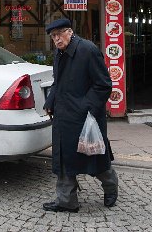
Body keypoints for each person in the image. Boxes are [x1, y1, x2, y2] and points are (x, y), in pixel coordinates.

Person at [42, 18, 118, 213]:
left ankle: (110, 185)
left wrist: (84, 106)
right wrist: (50, 102)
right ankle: (66, 201)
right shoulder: (59, 53)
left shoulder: (88, 50)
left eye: (59, 35)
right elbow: (57, 82)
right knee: (64, 160)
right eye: (53, 37)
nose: (56, 40)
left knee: (95, 158)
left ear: (69, 32)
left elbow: (103, 85)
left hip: (85, 117)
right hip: (63, 117)